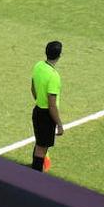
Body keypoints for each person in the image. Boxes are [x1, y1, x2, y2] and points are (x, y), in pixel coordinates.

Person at [29, 41, 64, 173]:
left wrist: (39, 100)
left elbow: (32, 87)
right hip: (46, 116)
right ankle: (35, 176)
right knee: (42, 147)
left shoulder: (38, 66)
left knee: (40, 143)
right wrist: (59, 124)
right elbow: (52, 105)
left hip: (37, 110)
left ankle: (34, 169)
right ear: (59, 56)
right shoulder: (54, 76)